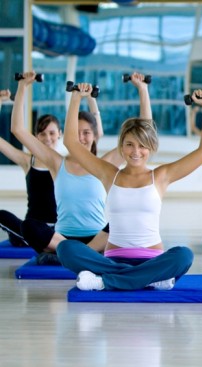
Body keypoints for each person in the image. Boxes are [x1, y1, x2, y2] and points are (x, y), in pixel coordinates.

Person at [56, 86, 202, 291]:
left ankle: (106, 281)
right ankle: (149, 279)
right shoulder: (109, 173)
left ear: (151, 148)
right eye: (130, 144)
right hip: (112, 260)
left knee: (184, 255)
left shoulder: (161, 176)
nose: (136, 151)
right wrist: (76, 97)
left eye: (142, 146)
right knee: (66, 248)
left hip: (151, 260)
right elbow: (71, 142)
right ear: (121, 147)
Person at [10, 71, 124, 264]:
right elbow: (18, 129)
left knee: (123, 220)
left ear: (96, 135)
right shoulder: (56, 162)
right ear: (68, 136)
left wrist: (142, 89)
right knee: (29, 226)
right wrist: (22, 87)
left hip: (98, 238)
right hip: (61, 239)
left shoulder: (105, 164)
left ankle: (75, 254)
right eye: (76, 133)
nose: (81, 138)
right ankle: (78, 254)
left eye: (86, 133)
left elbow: (142, 132)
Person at [0, 88, 59, 247]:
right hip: (31, 228)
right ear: (35, 136)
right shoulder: (28, 161)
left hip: (57, 231)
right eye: (42, 133)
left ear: (60, 134)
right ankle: (33, 239)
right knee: (2, 215)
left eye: (52, 133)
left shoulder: (65, 163)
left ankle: (46, 243)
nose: (48, 138)